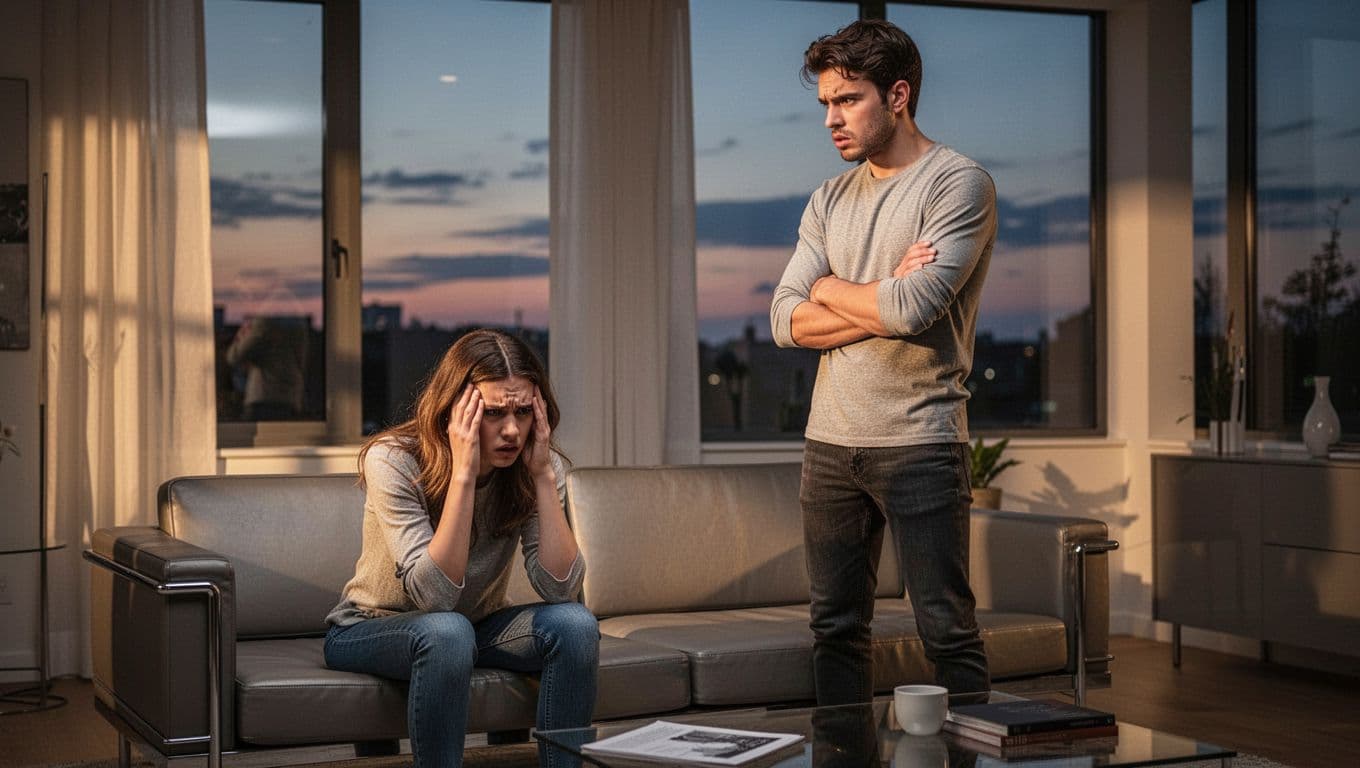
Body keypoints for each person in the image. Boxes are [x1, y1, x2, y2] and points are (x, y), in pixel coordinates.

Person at [769, 19, 996, 706]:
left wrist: (830, 289)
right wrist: (877, 292)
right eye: (826, 105)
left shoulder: (957, 184)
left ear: (898, 95)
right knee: (835, 630)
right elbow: (783, 319)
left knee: (946, 630)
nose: (832, 120)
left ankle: (975, 756)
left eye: (848, 100)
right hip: (830, 443)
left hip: (921, 443)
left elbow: (913, 309)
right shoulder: (828, 199)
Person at [324, 328, 598, 768]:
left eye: (524, 411)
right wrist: (464, 476)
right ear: (456, 410)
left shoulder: (535, 465)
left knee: (576, 624)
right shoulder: (393, 459)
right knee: (447, 630)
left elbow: (561, 590)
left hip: (476, 626)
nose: (512, 430)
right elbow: (436, 598)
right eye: (492, 413)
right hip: (371, 625)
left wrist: (545, 476)